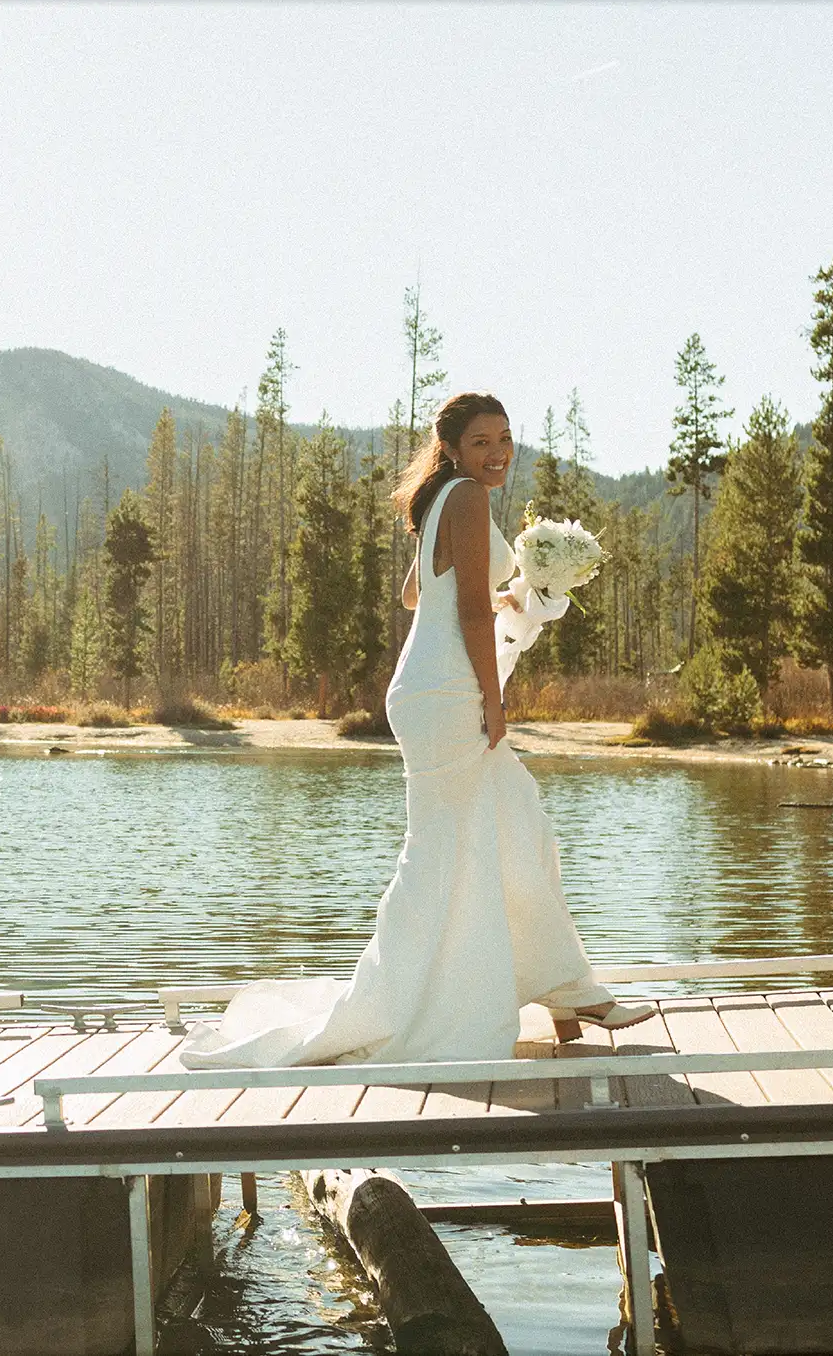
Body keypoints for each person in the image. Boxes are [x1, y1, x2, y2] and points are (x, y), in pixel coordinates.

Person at [181, 392, 651, 1070]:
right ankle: (402, 1007)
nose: (498, 453)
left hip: (431, 686)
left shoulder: (443, 501)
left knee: (518, 824)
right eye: (483, 441)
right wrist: (494, 698)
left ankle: (569, 989)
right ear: (455, 448)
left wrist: (514, 593)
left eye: (505, 439)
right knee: (439, 856)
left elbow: (415, 593)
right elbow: (462, 612)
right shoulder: (462, 498)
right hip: (449, 690)